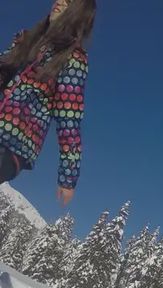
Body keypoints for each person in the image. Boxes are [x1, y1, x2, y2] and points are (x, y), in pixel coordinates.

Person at [0, 0, 94, 204]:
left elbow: (69, 118)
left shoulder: (72, 59)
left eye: (69, 1)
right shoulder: (27, 40)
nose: (59, 2)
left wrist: (68, 176)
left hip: (12, 145)